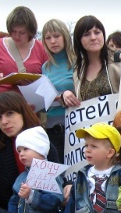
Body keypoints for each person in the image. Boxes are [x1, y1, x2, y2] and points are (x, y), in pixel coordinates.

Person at [0, 6, 48, 126]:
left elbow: (48, 82)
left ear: (31, 31)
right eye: (13, 31)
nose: (16, 36)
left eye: (22, 32)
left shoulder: (41, 49)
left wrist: (29, 84)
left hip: (27, 112)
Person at [60, 15, 120, 107]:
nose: (93, 37)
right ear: (79, 40)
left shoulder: (120, 59)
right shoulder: (77, 70)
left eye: (97, 32)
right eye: (86, 34)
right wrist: (66, 95)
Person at [41, 19, 76, 164]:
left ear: (65, 37)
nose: (53, 41)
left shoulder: (77, 61)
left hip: (73, 128)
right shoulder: (45, 67)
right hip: (51, 129)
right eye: (48, 38)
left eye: (56, 36)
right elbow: (45, 98)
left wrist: (67, 94)